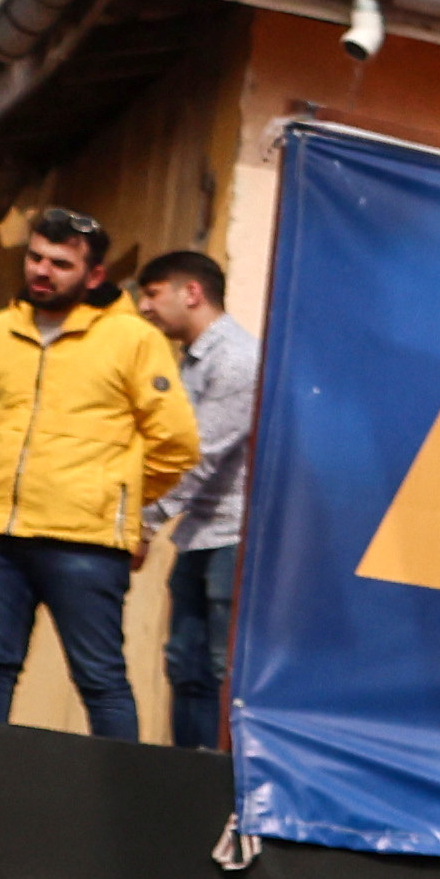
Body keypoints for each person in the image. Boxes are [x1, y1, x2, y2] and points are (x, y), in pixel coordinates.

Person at [0, 206, 192, 742]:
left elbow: (176, 442)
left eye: (59, 263)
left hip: (86, 543)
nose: (42, 271)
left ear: (94, 275)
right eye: (35, 258)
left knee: (99, 680)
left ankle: (122, 809)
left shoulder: (132, 339)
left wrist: (117, 496)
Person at [124, 247, 250, 757]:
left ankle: (224, 777)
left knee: (224, 667)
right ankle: (187, 774)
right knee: (184, 663)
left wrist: (146, 521)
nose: (144, 308)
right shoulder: (190, 363)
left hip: (235, 537)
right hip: (198, 534)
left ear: (192, 293)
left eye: (153, 294)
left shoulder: (238, 359)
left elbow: (201, 456)